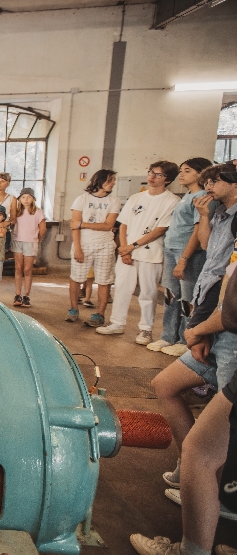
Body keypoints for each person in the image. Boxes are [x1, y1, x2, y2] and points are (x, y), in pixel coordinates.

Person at [130, 265, 237, 555]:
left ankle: (190, 550)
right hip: (217, 338)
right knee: (166, 386)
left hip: (229, 341)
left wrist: (197, 329)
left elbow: (232, 310)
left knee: (200, 452)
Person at [150, 163, 237, 495]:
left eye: (215, 180)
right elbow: (207, 248)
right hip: (212, 318)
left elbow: (233, 299)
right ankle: (192, 469)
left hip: (226, 328)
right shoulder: (219, 213)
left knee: (227, 422)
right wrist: (203, 217)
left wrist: (202, 328)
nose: (208, 186)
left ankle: (216, 493)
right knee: (166, 385)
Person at [96, 162, 180, 343]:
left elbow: (160, 230)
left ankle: (145, 329)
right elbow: (123, 224)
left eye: (158, 175)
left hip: (150, 253)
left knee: (148, 293)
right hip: (127, 251)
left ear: (168, 180)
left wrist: (132, 246)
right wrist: (125, 249)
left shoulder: (172, 201)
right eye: (151, 172)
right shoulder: (136, 198)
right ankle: (117, 323)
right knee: (121, 288)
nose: (152, 177)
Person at [148, 158, 215, 356]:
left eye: (187, 170)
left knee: (187, 298)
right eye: (181, 170)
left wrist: (184, 259)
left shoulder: (203, 197)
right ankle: (168, 336)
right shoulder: (187, 195)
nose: (181, 174)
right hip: (172, 249)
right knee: (170, 296)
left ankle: (185, 339)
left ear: (201, 174)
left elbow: (197, 231)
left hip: (188, 254)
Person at [67, 169, 121, 327]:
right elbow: (73, 226)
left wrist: (83, 224)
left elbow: (108, 225)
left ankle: (100, 314)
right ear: (100, 181)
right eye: (110, 180)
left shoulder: (114, 201)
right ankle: (73, 309)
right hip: (83, 244)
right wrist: (77, 248)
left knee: (104, 281)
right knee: (76, 278)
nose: (113, 183)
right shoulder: (81, 200)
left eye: (114, 180)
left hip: (105, 245)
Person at [12, 187, 46, 308]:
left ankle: (26, 296)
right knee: (18, 268)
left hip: (30, 242)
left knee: (27, 269)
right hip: (17, 241)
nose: (26, 200)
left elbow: (43, 229)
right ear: (20, 199)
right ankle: (17, 295)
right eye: (23, 197)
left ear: (33, 199)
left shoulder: (37, 211)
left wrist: (36, 239)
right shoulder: (16, 211)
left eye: (29, 197)